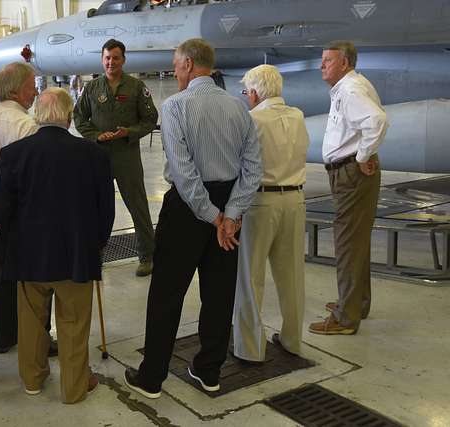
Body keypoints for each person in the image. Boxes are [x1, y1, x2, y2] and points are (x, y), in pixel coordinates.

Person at [124, 38, 262, 398]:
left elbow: (184, 173)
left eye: (175, 63)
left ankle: (152, 377)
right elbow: (252, 168)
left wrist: (212, 216)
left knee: (166, 294)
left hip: (188, 210)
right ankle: (209, 370)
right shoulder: (238, 107)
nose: (173, 70)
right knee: (219, 294)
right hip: (229, 206)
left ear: (187, 64)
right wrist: (230, 215)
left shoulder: (175, 107)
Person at [0, 87, 115, 403]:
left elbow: (1, 211)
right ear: (69, 116)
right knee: (74, 323)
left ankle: (32, 380)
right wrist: (97, 245)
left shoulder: (13, 154)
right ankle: (74, 389)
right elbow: (106, 210)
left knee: (31, 321)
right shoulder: (95, 154)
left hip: (29, 255)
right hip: (76, 255)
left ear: (37, 115)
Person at [0, 62, 52, 354]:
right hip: (25, 214)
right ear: (16, 90)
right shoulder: (26, 126)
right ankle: (38, 336)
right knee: (35, 279)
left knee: (2, 273)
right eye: (32, 85)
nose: (35, 91)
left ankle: (3, 336)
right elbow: (30, 178)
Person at [309, 41, 388, 335]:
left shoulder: (351, 89)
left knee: (347, 244)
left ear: (344, 62)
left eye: (327, 61)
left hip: (350, 173)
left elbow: (377, 120)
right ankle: (357, 303)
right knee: (356, 241)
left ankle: (345, 318)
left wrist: (363, 155)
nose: (322, 66)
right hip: (350, 171)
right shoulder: (350, 86)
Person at [233, 64, 309, 362]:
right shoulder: (298, 116)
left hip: (260, 204)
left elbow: (242, 164)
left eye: (245, 92)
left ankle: (250, 349)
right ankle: (292, 340)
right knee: (292, 276)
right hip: (295, 199)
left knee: (251, 277)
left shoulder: (252, 119)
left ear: (253, 92)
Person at [74, 38, 158, 277]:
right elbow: (79, 118)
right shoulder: (91, 88)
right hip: (98, 157)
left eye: (116, 58)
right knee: (97, 208)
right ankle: (96, 253)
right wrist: (97, 136)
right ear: (102, 60)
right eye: (107, 58)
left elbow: (150, 119)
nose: (111, 62)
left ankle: (147, 255)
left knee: (138, 206)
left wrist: (128, 133)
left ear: (124, 60)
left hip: (126, 156)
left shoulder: (136, 87)